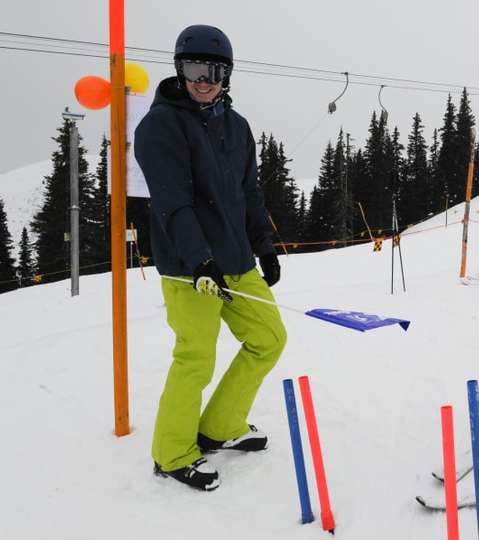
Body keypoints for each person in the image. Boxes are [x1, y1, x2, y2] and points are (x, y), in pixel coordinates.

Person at [135, 24, 287, 492]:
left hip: (236, 261)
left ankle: (219, 426)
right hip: (189, 269)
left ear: (228, 74)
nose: (205, 79)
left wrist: (263, 245)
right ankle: (173, 452)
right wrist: (199, 259)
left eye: (215, 70)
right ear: (180, 70)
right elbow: (172, 202)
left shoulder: (236, 127)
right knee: (195, 359)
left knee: (269, 339)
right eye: (195, 68)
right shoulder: (160, 125)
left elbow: (248, 194)